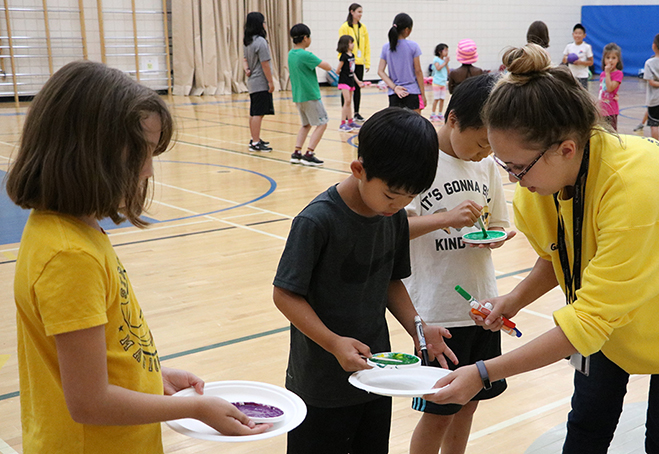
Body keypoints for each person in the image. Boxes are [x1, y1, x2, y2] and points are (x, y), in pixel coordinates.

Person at [424, 44, 659, 454]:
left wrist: (484, 372)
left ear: (566, 148)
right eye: (504, 166)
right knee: (587, 421)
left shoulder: (640, 191)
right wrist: (514, 299)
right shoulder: (541, 180)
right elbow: (558, 251)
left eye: (518, 168)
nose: (514, 181)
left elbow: (588, 323)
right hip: (607, 316)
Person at [5, 60, 270, 454]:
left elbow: (92, 358)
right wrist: (196, 408)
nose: (147, 170)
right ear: (89, 153)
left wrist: (151, 378)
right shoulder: (67, 255)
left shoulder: (72, 230)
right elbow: (90, 401)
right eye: (140, 154)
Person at [273, 107, 458, 454]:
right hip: (321, 382)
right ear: (359, 169)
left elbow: (390, 280)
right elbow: (284, 295)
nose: (399, 205)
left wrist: (419, 327)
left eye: (409, 197)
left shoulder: (392, 216)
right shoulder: (317, 221)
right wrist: (333, 343)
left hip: (375, 374)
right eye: (391, 195)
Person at [405, 74, 516, 454]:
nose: (487, 152)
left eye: (493, 145)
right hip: (437, 312)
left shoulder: (486, 167)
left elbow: (498, 222)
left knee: (469, 404)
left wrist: (498, 235)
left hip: (482, 306)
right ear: (453, 119)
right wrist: (445, 218)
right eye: (482, 142)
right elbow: (388, 229)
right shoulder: (418, 159)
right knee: (439, 410)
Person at [288, 23, 332, 166]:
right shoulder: (305, 54)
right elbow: (327, 66)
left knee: (306, 125)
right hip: (310, 95)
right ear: (306, 38)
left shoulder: (291, 54)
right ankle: (309, 153)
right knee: (322, 123)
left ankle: (297, 152)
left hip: (298, 96)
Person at [378, 13, 425, 113]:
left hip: (394, 94)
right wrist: (423, 94)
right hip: (412, 92)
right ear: (407, 30)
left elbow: (380, 71)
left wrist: (394, 87)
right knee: (415, 126)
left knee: (396, 127)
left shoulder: (386, 47)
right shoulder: (413, 46)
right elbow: (418, 71)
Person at [243, 12, 275, 152]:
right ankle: (255, 142)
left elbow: (244, 59)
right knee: (258, 113)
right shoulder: (261, 42)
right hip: (260, 82)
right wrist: (270, 82)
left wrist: (247, 69)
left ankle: (255, 138)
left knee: (254, 112)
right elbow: (265, 64)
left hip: (252, 82)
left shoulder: (248, 41)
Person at [338, 3, 370, 122]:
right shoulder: (345, 27)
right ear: (352, 12)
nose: (360, 15)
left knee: (357, 88)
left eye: (362, 12)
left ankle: (356, 112)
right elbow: (341, 44)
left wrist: (367, 62)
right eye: (359, 12)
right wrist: (342, 59)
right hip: (348, 62)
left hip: (359, 62)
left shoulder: (363, 28)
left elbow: (367, 45)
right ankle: (345, 113)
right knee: (346, 89)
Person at [336, 34, 364, 132]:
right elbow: (338, 70)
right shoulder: (343, 57)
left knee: (349, 102)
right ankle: (343, 123)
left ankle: (350, 121)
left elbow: (352, 71)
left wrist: (358, 81)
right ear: (345, 44)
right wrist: (343, 74)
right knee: (347, 101)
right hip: (344, 81)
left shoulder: (352, 56)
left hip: (351, 81)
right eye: (351, 43)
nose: (353, 45)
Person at [598, 43, 623, 130]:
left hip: (611, 110)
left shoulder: (618, 74)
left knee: (611, 133)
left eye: (613, 58)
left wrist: (607, 73)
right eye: (607, 58)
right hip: (601, 109)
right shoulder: (602, 74)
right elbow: (602, 91)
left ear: (618, 60)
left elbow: (609, 88)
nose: (610, 61)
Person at [562, 23, 593, 88]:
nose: (577, 35)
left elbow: (591, 62)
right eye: (576, 33)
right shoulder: (569, 46)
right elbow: (564, 60)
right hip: (572, 76)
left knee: (583, 95)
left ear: (584, 35)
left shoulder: (587, 47)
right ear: (573, 34)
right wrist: (568, 59)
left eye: (580, 33)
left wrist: (581, 62)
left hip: (582, 76)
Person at [430, 43, 450, 122]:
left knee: (442, 99)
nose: (447, 52)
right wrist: (445, 62)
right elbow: (438, 68)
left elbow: (448, 71)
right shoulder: (436, 59)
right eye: (445, 50)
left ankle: (440, 114)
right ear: (439, 51)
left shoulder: (445, 61)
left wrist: (447, 63)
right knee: (436, 99)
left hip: (443, 82)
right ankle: (433, 114)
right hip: (437, 82)